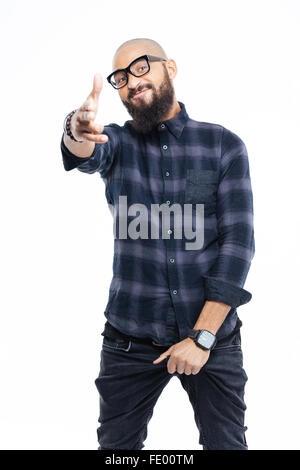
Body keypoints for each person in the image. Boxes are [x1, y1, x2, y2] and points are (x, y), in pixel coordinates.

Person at [60, 37, 255, 450]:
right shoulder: (116, 144)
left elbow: (238, 246)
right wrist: (75, 129)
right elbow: (84, 151)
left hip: (211, 339)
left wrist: (202, 337)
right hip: (129, 339)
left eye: (141, 67)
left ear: (171, 67)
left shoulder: (222, 145)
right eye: (121, 77)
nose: (131, 81)